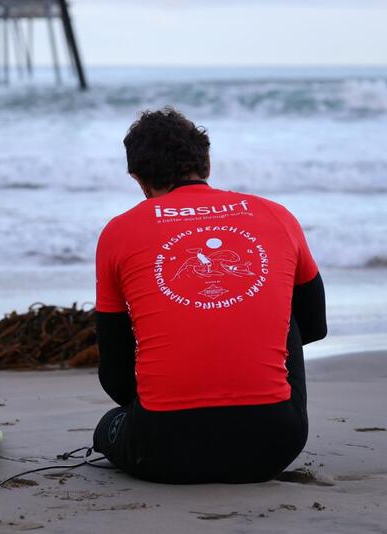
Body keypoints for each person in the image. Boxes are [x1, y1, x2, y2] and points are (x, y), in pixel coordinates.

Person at [92, 107, 327, 484]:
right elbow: (314, 326)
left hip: (162, 450)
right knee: (290, 311)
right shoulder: (277, 216)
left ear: (138, 179)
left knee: (107, 428)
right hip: (275, 445)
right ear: (206, 165)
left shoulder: (118, 232)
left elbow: (115, 375)